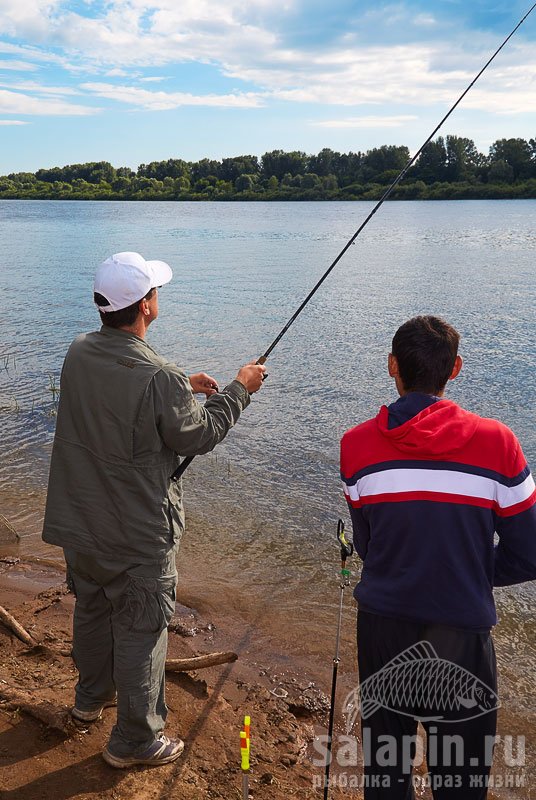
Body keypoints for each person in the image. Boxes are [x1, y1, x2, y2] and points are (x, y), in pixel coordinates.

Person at [42, 251, 265, 769]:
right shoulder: (158, 375)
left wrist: (183, 387)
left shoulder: (79, 352)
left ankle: (89, 701)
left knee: (93, 610)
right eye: (155, 292)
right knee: (143, 627)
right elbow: (201, 434)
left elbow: (120, 395)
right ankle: (136, 741)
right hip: (137, 535)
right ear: (146, 305)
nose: (158, 298)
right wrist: (240, 390)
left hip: (80, 524)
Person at [340, 315, 536, 799]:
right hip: (462, 634)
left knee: (387, 774)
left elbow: (368, 545)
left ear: (392, 367)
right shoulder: (499, 444)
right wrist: (464, 570)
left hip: (382, 627)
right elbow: (530, 554)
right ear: (456, 369)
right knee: (461, 782)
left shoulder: (356, 446)